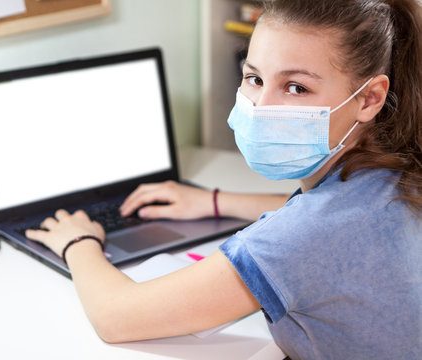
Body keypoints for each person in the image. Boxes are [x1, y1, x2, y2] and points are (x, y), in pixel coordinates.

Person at [25, 0, 422, 358]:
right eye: (254, 78)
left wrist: (78, 241)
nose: (262, 107)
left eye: (296, 87)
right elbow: (323, 220)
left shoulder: (301, 238)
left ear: (369, 98)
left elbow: (116, 317)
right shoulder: (397, 173)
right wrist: (213, 201)